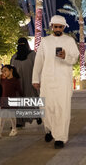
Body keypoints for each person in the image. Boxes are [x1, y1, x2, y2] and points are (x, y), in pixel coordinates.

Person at [32, 15, 79, 149]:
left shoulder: (69, 41)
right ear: (51, 27)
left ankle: (60, 137)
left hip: (63, 81)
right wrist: (35, 78)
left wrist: (65, 57)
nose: (58, 29)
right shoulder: (45, 41)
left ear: (64, 27)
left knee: (61, 109)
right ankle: (49, 129)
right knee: (46, 108)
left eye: (60, 27)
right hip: (47, 80)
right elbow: (39, 61)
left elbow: (75, 58)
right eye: (55, 26)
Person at [11, 37, 40, 127]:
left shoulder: (32, 55)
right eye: (19, 44)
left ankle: (37, 116)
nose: (21, 46)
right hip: (18, 83)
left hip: (30, 81)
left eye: (23, 44)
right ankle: (19, 121)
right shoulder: (14, 57)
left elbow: (38, 67)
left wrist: (37, 80)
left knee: (31, 98)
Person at [0, 65, 22, 139]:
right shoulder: (3, 81)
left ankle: (14, 129)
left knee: (11, 116)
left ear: (11, 70)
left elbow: (20, 91)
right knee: (2, 116)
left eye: (5, 70)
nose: (4, 73)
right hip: (4, 100)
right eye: (2, 71)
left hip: (12, 100)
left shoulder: (15, 80)